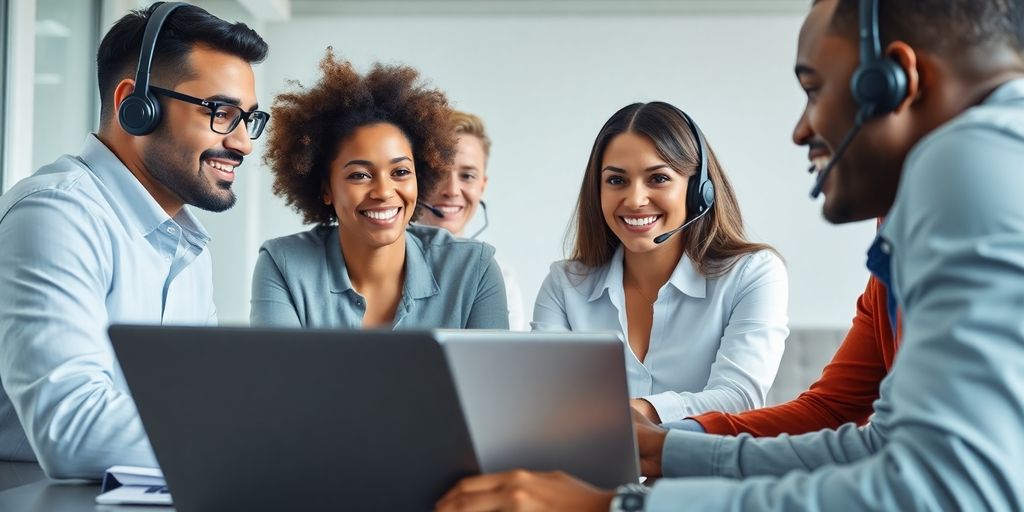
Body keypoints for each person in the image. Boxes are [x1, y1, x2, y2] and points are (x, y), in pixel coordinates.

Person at [437, 0, 1024, 509]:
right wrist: (664, 447)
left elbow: (949, 490)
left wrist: (617, 505)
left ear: (891, 80)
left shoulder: (971, 159)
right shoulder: (914, 220)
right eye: (616, 180)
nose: (800, 129)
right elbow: (853, 426)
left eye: (814, 89)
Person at [0, 3, 268, 479]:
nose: (244, 143)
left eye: (250, 119)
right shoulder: (55, 215)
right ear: (135, 106)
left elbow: (193, 404)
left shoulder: (188, 245)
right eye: (221, 112)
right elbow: (72, 429)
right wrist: (270, 439)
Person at [531, 102, 789, 425]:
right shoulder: (564, 285)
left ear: (698, 191)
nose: (635, 200)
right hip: (594, 475)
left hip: (703, 474)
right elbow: (544, 402)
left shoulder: (753, 274)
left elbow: (737, 398)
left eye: (658, 178)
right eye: (616, 181)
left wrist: (631, 413)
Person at [251, 51, 508, 330]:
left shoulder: (474, 268)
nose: (384, 191)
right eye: (360, 175)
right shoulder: (283, 264)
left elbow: (489, 374)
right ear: (326, 188)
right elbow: (278, 373)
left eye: (400, 172)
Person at [416, 110, 528, 330]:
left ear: (482, 186)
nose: (451, 190)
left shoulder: (502, 282)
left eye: (467, 176)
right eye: (438, 173)